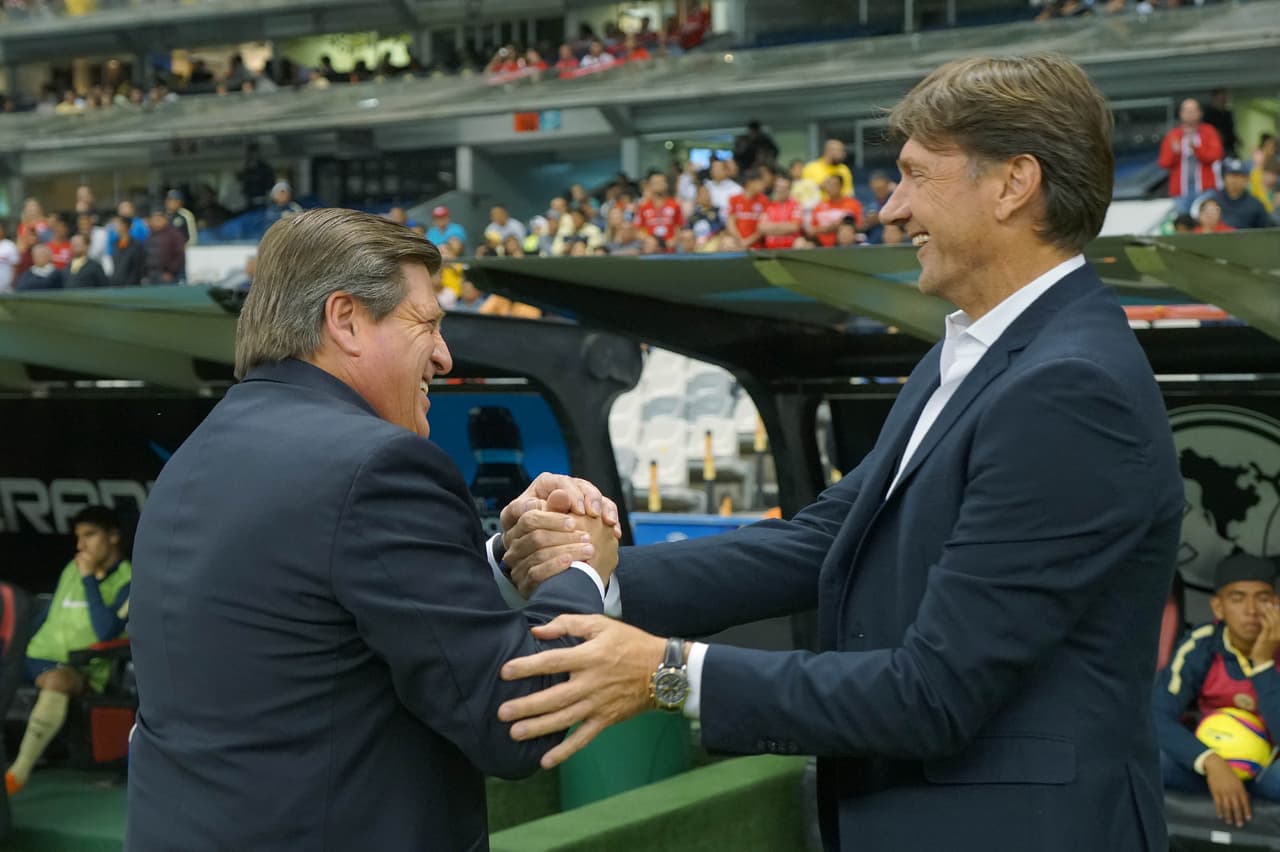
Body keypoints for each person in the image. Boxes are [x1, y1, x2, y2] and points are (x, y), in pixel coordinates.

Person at [494, 54, 1184, 852]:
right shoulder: (973, 354)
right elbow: (825, 538)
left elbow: (935, 693)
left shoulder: (1069, 388)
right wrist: (593, 578)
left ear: (1012, 183)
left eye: (917, 176)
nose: (892, 209)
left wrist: (665, 672)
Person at [123, 209, 621, 851]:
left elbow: (330, 620)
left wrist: (498, 560)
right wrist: (581, 566)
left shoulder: (195, 456)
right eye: (427, 323)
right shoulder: (378, 463)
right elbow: (518, 718)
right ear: (346, 320)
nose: (443, 356)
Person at [5, 506, 131, 795]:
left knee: (57, 679)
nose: (80, 546)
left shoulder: (129, 581)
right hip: (35, 658)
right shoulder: (70, 570)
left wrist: (89, 580)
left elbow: (106, 631)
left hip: (82, 667)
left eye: (89, 535)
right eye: (78, 537)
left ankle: (16, 775)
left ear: (113, 537)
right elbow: (46, 617)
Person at [1155, 554, 1280, 829]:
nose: (1251, 610)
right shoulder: (1202, 644)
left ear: (1277, 604)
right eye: (1237, 598)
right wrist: (1211, 763)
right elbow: (1156, 716)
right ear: (1218, 607)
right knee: (1147, 760)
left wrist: (1262, 664)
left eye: (1263, 598)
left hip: (1268, 775)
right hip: (1205, 772)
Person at [1158, 98, 1224, 213]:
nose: (1190, 114)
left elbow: (1216, 155)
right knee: (1183, 223)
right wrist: (1175, 152)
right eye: (1187, 111)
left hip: (1205, 189)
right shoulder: (1173, 135)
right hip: (1181, 191)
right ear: (1181, 114)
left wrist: (1197, 149)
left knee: (1208, 221)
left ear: (1200, 113)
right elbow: (1163, 163)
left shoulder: (1209, 132)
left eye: (1193, 111)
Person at [1209, 159, 1271, 230]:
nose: (1235, 180)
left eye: (1239, 176)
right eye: (1232, 175)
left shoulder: (1256, 205)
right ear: (1224, 178)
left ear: (1247, 179)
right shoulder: (1214, 201)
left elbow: (1263, 232)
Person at [142, 209, 185, 284]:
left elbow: (179, 256)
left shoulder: (174, 235)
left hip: (167, 276)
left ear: (165, 220)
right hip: (150, 275)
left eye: (158, 219)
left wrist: (170, 272)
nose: (156, 222)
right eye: (154, 220)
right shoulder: (148, 235)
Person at [110, 215, 145, 287]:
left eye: (118, 224)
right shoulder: (115, 244)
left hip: (131, 287)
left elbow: (138, 268)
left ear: (125, 226)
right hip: (116, 286)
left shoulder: (136, 246)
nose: (115, 226)